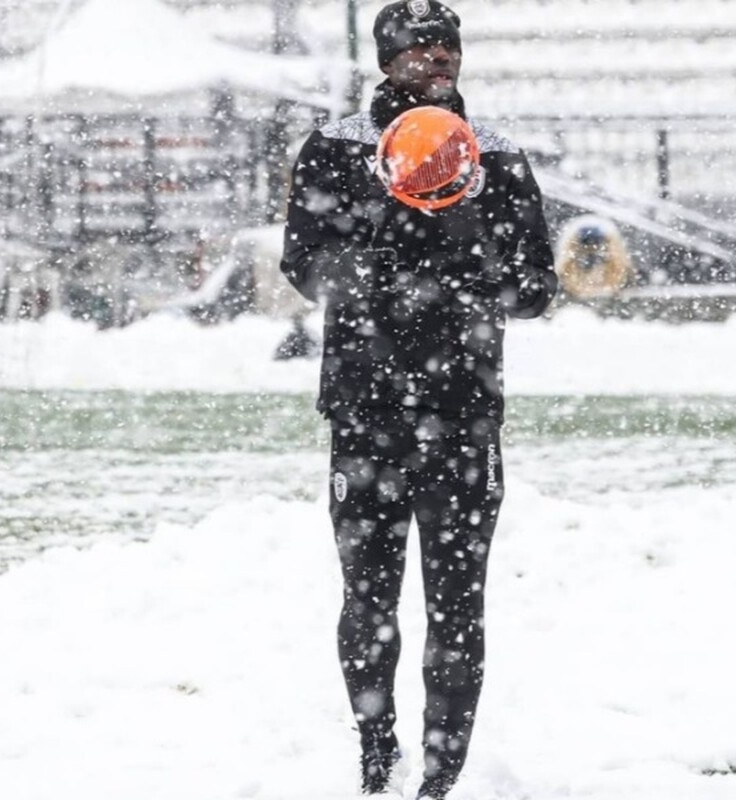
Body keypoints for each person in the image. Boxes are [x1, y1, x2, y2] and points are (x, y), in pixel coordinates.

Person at [279, 2, 558, 797]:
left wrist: (468, 249)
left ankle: (443, 774)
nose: (439, 57)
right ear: (386, 57)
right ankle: (377, 752)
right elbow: (306, 266)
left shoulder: (496, 158)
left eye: (449, 45)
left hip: (464, 413)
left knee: (457, 602)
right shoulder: (337, 149)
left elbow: (536, 286)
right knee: (366, 596)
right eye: (420, 46)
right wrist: (393, 236)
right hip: (365, 411)